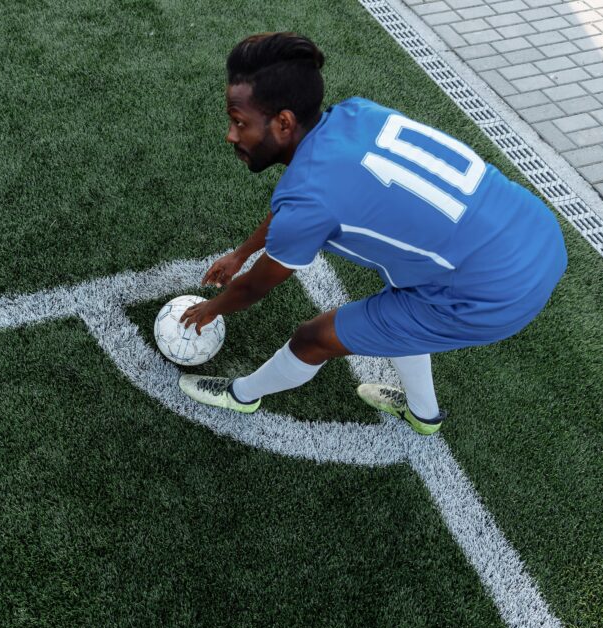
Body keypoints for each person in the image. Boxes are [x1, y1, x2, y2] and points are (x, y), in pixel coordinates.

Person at [178, 32, 567, 435]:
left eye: (240, 122)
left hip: (495, 293)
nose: (231, 135)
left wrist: (212, 308)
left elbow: (253, 289)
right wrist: (242, 253)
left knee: (313, 339)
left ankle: (241, 395)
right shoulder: (356, 113)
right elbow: (297, 210)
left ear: (284, 123)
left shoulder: (309, 199)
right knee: (402, 309)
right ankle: (424, 414)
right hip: (536, 230)